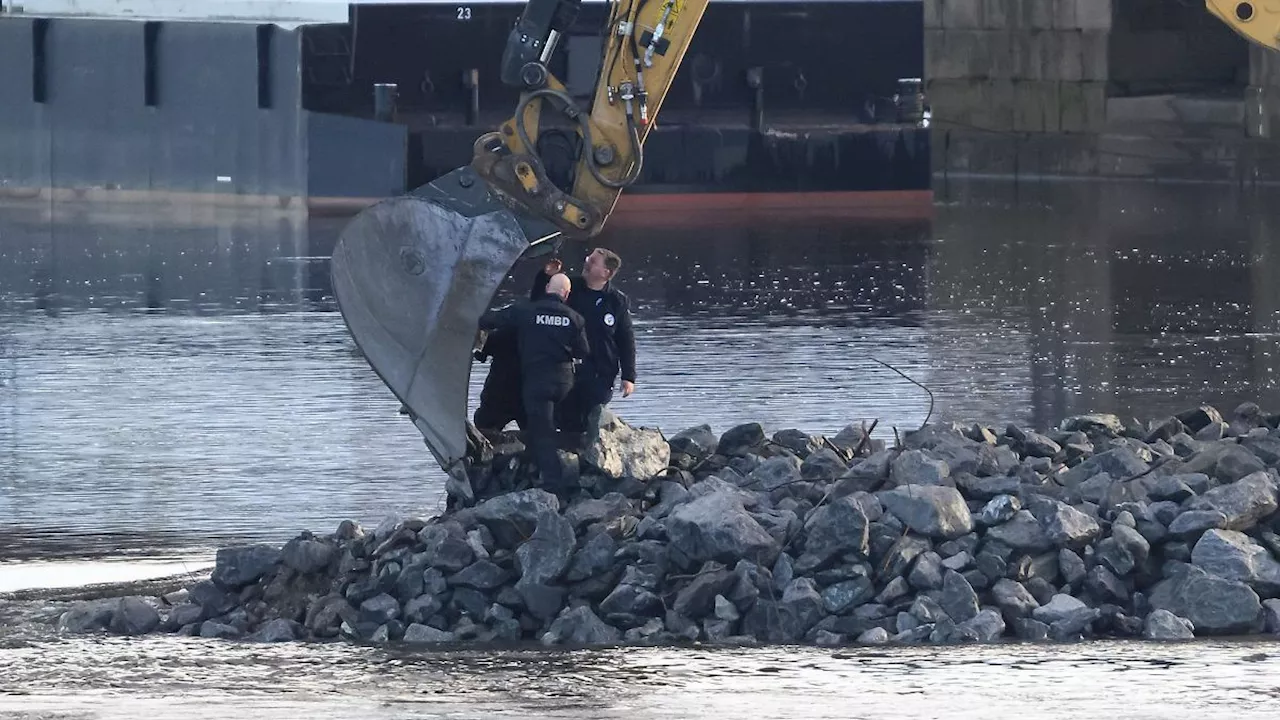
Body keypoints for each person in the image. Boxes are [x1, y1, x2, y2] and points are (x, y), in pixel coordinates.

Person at [479, 273, 589, 488]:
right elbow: (583, 350)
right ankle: (550, 466)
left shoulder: (527, 312)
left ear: (548, 288)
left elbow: (491, 320)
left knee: (542, 431)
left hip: (539, 382)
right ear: (566, 294)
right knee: (548, 424)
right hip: (564, 382)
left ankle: (554, 482)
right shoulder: (575, 318)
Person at [531, 247, 636, 434]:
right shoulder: (569, 289)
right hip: (566, 370)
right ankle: (565, 456)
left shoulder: (617, 301)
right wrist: (544, 276)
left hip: (600, 373)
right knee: (563, 419)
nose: (587, 262)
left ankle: (586, 455)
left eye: (593, 261)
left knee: (590, 419)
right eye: (588, 257)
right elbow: (539, 303)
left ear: (606, 273)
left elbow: (626, 340)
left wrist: (629, 376)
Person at [471, 325, 524, 433]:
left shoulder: (501, 333)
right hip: (529, 393)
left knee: (485, 427)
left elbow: (480, 354)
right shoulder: (542, 336)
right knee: (536, 432)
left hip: (498, 392)